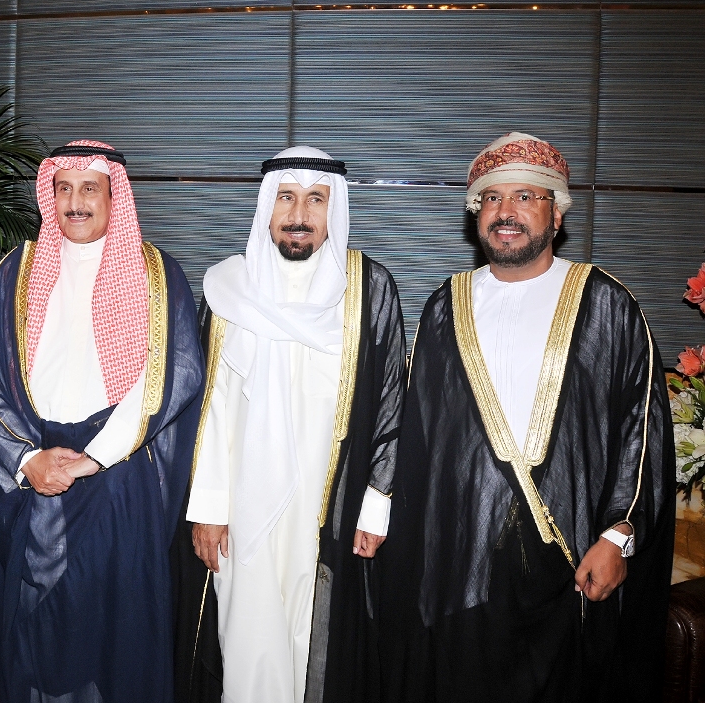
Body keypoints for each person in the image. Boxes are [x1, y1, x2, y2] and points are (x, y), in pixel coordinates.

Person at [379, 132, 674, 703]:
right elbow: (417, 441)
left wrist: (619, 534)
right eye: (492, 198)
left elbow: (641, 430)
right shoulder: (445, 305)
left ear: (556, 215)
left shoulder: (606, 302)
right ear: (477, 214)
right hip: (464, 562)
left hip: (573, 560)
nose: (505, 211)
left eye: (525, 196)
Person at [0, 140, 205, 703]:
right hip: (37, 472)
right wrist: (27, 459)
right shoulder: (16, 273)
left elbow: (173, 373)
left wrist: (96, 456)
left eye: (90, 189)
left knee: (114, 630)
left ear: (113, 197)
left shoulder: (156, 274)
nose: (75, 202)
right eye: (64, 188)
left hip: (118, 475)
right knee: (30, 629)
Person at [175, 147, 406, 703]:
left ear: (334, 209)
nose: (299, 214)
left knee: (316, 634)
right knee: (246, 635)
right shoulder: (230, 287)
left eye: (315, 200)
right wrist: (208, 508)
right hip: (243, 503)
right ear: (267, 207)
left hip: (329, 503)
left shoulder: (368, 289)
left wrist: (377, 501)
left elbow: (391, 401)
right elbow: (211, 407)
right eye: (286, 198)